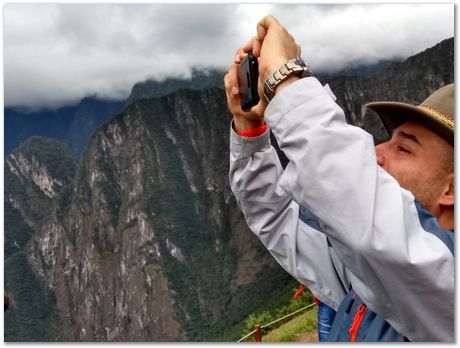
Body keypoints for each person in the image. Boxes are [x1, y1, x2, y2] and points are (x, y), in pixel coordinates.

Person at [225, 15, 453, 342]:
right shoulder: (367, 276)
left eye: (404, 148)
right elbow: (277, 218)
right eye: (389, 139)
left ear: (452, 188)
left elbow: (373, 232)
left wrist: (285, 76)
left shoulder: (445, 286)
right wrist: (250, 128)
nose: (376, 152)